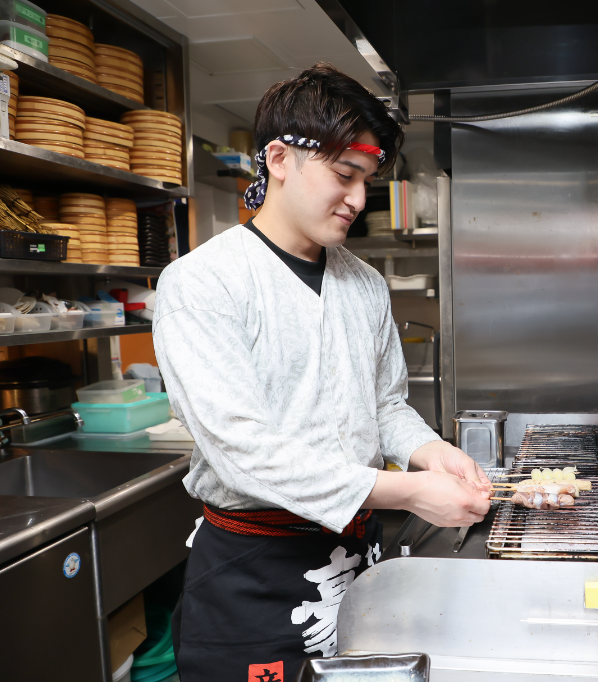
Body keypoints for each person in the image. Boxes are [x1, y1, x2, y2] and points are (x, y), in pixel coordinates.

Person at [153, 63, 491, 682]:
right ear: (280, 159)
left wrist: (431, 453)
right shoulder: (202, 283)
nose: (359, 200)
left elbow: (385, 404)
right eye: (344, 175)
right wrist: (408, 492)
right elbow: (242, 450)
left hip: (353, 560)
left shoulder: (362, 283)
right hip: (253, 569)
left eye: (367, 180)